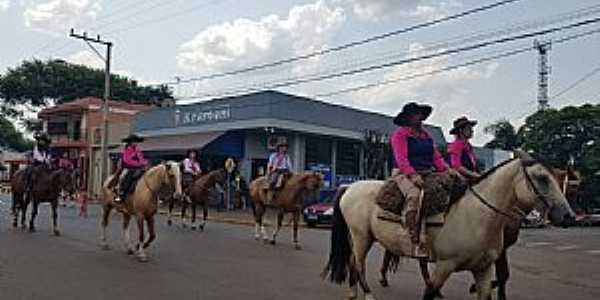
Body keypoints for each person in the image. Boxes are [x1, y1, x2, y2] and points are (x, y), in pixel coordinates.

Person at [390, 102, 450, 258]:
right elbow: (401, 159)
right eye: (416, 114)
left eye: (421, 115)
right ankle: (413, 238)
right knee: (415, 196)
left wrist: (448, 171)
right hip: (404, 173)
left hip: (427, 172)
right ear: (408, 118)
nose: (420, 117)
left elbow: (436, 157)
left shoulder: (426, 135)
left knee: (450, 188)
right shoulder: (400, 134)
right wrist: (413, 175)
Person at [114, 134, 148, 203]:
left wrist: (144, 163)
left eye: (136, 142)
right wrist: (138, 164)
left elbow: (141, 158)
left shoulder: (137, 150)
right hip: (128, 167)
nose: (135, 143)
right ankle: (121, 193)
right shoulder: (127, 150)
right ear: (130, 142)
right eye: (134, 141)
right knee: (127, 176)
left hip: (138, 167)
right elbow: (127, 160)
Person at [448, 116, 481, 180]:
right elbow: (456, 166)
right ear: (461, 130)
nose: (472, 131)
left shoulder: (468, 146)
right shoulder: (456, 145)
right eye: (468, 128)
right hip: (459, 180)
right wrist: (474, 175)